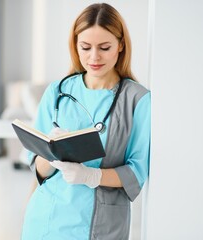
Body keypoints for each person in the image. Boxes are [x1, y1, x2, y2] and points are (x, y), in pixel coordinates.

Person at [21, 3, 150, 240]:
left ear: (120, 45)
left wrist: (93, 176)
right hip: (44, 221)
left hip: (99, 227)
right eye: (85, 47)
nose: (94, 57)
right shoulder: (57, 91)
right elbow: (37, 169)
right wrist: (50, 157)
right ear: (75, 45)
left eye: (104, 47)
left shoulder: (138, 100)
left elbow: (137, 171)